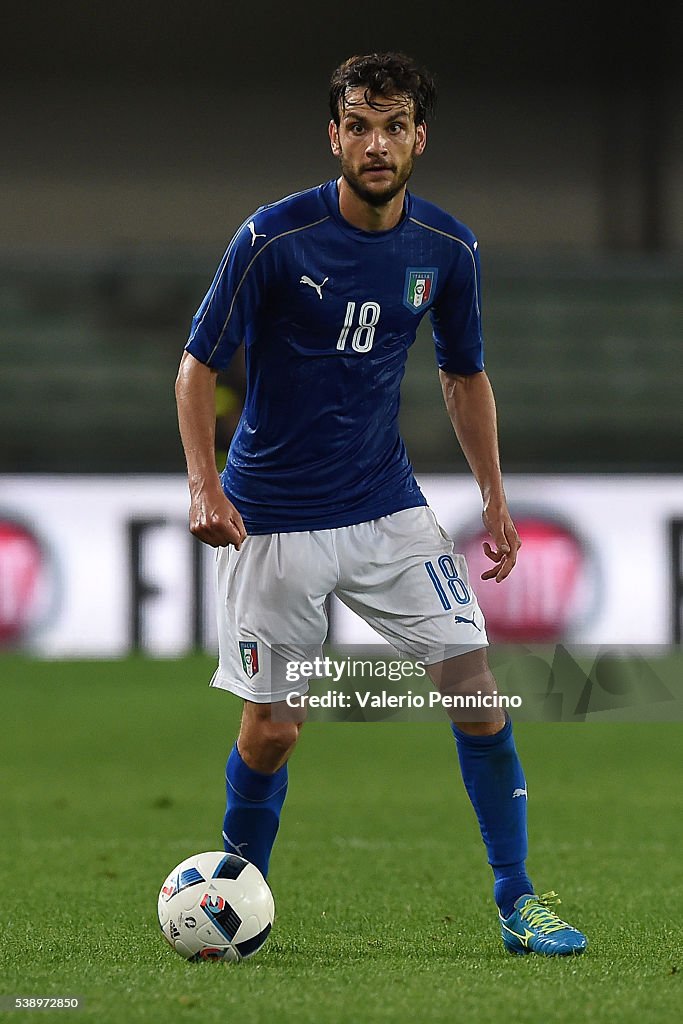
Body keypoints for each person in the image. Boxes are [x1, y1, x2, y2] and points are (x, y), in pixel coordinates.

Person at [175, 52, 587, 957]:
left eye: (393, 125)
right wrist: (204, 484)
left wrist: (494, 498)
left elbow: (463, 373)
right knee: (274, 731)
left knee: (475, 690)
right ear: (333, 135)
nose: (375, 143)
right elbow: (196, 365)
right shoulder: (272, 239)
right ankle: (232, 898)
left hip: (386, 510)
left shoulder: (445, 248)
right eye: (357, 124)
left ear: (418, 138)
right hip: (271, 520)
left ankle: (518, 899)